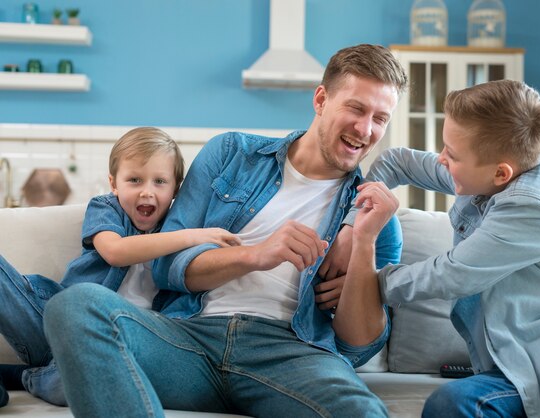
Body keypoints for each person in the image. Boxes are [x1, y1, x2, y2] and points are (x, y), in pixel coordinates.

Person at [42, 43, 407, 418]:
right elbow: (166, 267)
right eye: (356, 108)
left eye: (380, 118)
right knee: (75, 305)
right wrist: (256, 255)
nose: (365, 129)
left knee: (361, 412)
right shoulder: (232, 154)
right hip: (188, 340)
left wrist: (362, 240)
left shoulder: (376, 219)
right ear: (320, 99)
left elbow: (358, 345)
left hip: (291, 354)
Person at [341, 79, 540, 417]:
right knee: (450, 405)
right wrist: (350, 224)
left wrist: (365, 282)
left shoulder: (535, 204)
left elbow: (453, 274)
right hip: (524, 363)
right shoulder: (494, 168)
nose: (442, 160)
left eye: (452, 154)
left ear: (501, 173)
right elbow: (398, 161)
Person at [0, 127, 240, 407]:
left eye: (160, 181)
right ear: (114, 184)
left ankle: (23, 377)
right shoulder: (107, 208)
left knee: (88, 381)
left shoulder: (185, 226)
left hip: (102, 345)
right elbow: (114, 252)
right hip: (49, 318)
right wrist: (193, 236)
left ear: (177, 187)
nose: (147, 192)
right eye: (135, 180)